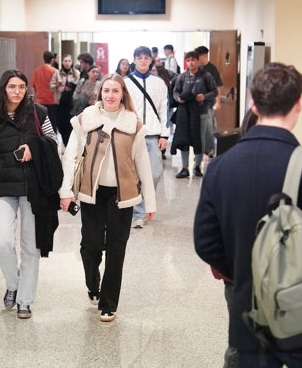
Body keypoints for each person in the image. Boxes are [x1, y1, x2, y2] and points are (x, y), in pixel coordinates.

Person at [194, 63, 302, 368]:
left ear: (253, 103)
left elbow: (206, 242)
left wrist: (246, 268)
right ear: (298, 105)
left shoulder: (220, 168)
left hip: (249, 318)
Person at [59, 73, 156, 322]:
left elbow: (143, 163)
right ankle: (93, 284)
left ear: (123, 94)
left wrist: (150, 202)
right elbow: (71, 155)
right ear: (99, 94)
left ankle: (109, 303)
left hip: (122, 196)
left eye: (115, 91)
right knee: (90, 246)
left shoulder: (132, 123)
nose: (110, 95)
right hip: (92, 192)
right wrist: (66, 190)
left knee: (116, 248)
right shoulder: (86, 119)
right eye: (106, 91)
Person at [0, 70, 57, 320]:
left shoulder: (38, 112)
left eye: (22, 87)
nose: (18, 92)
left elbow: (53, 142)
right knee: (1, 242)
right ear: (3, 89)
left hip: (34, 188)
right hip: (3, 187)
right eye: (12, 87)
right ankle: (14, 283)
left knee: (30, 247)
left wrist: (34, 147)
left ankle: (24, 300)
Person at [124, 46, 169, 229]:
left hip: (152, 136)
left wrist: (165, 134)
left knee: (154, 173)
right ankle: (138, 213)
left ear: (151, 60)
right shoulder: (125, 82)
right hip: (131, 135)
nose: (143, 60)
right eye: (139, 57)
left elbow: (164, 110)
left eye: (146, 57)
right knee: (133, 175)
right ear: (134, 59)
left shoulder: (159, 83)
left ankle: (142, 204)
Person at [170, 50, 217, 178]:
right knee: (184, 140)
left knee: (199, 140)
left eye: (193, 60)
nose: (191, 63)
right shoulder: (182, 77)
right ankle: (185, 168)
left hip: (201, 113)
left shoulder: (206, 76)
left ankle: (197, 166)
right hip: (184, 114)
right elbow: (175, 92)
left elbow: (214, 92)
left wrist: (204, 96)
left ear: (197, 60)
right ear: (186, 62)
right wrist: (178, 98)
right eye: (188, 60)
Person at [195, 46, 223, 158]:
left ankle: (209, 150)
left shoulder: (212, 69)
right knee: (199, 130)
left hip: (209, 104)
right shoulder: (197, 69)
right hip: (198, 106)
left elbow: (219, 86)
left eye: (198, 56)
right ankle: (200, 152)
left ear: (204, 55)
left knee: (209, 129)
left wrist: (218, 102)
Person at [50, 53, 81, 146]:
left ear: (72, 62)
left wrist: (72, 86)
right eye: (65, 61)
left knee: (70, 125)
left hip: (72, 103)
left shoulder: (77, 73)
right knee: (60, 124)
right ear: (62, 62)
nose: (67, 63)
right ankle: (65, 142)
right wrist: (61, 86)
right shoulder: (57, 73)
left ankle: (69, 145)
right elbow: (51, 86)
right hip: (60, 102)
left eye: (69, 61)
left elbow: (79, 87)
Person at [32, 51, 58, 133]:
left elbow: (33, 86)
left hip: (40, 101)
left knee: (40, 124)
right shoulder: (55, 71)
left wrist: (36, 96)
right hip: (52, 101)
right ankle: (53, 142)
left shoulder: (37, 71)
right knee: (52, 124)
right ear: (52, 60)